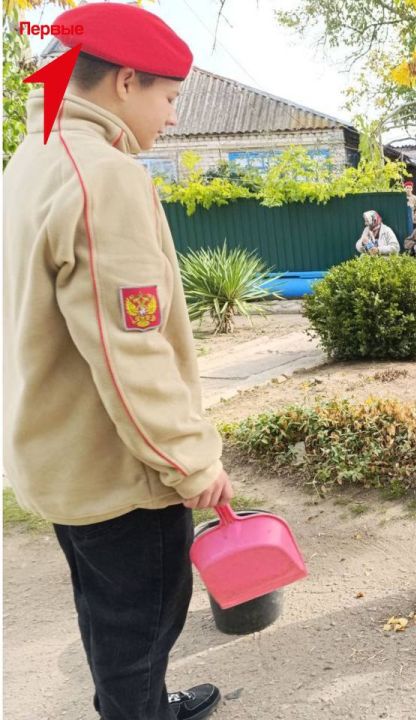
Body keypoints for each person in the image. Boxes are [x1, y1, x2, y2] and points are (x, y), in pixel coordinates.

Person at [2, 5, 229, 719]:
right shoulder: (101, 175)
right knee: (142, 628)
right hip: (119, 472)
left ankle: (146, 706)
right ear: (126, 82)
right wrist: (193, 461)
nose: (171, 117)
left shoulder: (33, 153)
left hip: (63, 454)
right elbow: (129, 351)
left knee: (107, 615)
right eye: (169, 98)